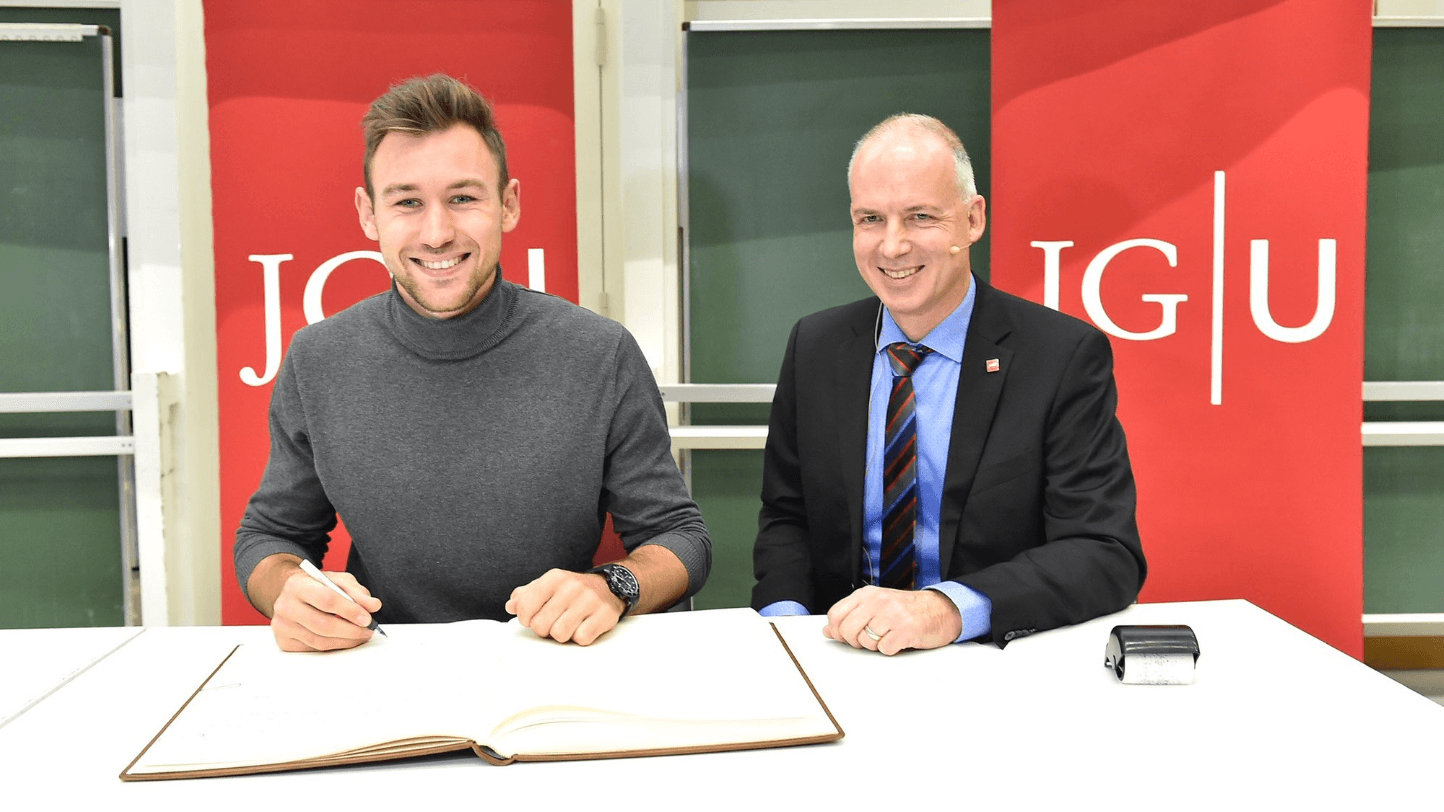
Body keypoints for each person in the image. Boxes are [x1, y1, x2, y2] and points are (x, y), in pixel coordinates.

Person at [235, 74, 710, 652]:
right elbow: (270, 536)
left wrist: (614, 584)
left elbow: (680, 537)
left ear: (508, 204)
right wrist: (288, 588)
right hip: (383, 661)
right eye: (407, 202)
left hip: (553, 663)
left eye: (463, 198)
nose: (437, 232)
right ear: (368, 214)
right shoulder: (318, 359)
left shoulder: (598, 352)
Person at [752, 114, 1145, 655]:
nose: (891, 246)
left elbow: (1104, 551)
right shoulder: (816, 347)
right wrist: (786, 626)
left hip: (988, 659)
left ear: (972, 219)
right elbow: (787, 517)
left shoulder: (1059, 357)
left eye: (920, 217)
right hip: (837, 654)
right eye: (870, 219)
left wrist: (945, 610)